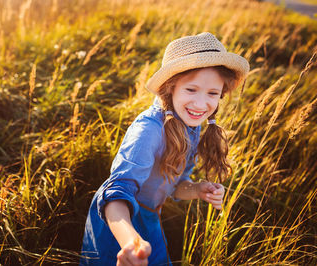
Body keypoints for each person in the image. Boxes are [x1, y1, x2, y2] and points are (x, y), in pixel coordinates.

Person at [80, 32, 250, 266]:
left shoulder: (191, 124)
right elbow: (116, 193)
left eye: (212, 93)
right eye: (191, 90)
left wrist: (198, 189)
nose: (201, 104)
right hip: (120, 225)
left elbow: (176, 185)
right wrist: (130, 241)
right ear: (170, 87)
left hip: (150, 218)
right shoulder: (149, 131)